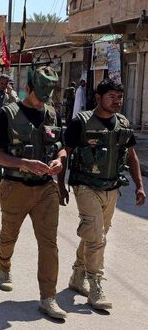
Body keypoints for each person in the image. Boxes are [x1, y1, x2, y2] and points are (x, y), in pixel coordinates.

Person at [58, 78, 145, 310]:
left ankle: (78, 275)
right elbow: (64, 152)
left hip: (111, 187)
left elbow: (131, 156)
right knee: (97, 237)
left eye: (120, 97)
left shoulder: (123, 124)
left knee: (94, 233)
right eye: (112, 97)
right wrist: (60, 185)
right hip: (85, 186)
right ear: (98, 98)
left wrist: (139, 185)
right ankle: (95, 283)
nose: (117, 101)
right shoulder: (81, 122)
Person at [0, 66, 68, 320]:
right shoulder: (8, 114)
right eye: (39, 95)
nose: (43, 100)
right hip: (15, 187)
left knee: (49, 244)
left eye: (47, 96)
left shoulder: (52, 113)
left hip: (45, 189)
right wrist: (24, 163)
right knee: (9, 235)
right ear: (27, 89)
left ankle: (48, 297)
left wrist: (59, 161)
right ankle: (4, 266)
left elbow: (61, 147)